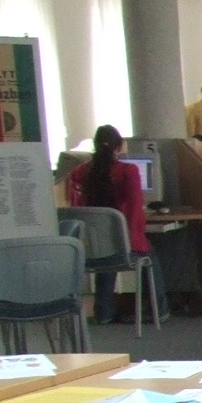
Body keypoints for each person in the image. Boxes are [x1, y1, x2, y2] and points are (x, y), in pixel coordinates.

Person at [73, 124, 150, 324]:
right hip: (120, 248)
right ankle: (159, 310)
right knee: (151, 254)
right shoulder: (127, 171)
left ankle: (104, 311)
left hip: (90, 250)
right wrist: (135, 242)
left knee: (105, 249)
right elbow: (135, 208)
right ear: (119, 146)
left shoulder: (80, 173)